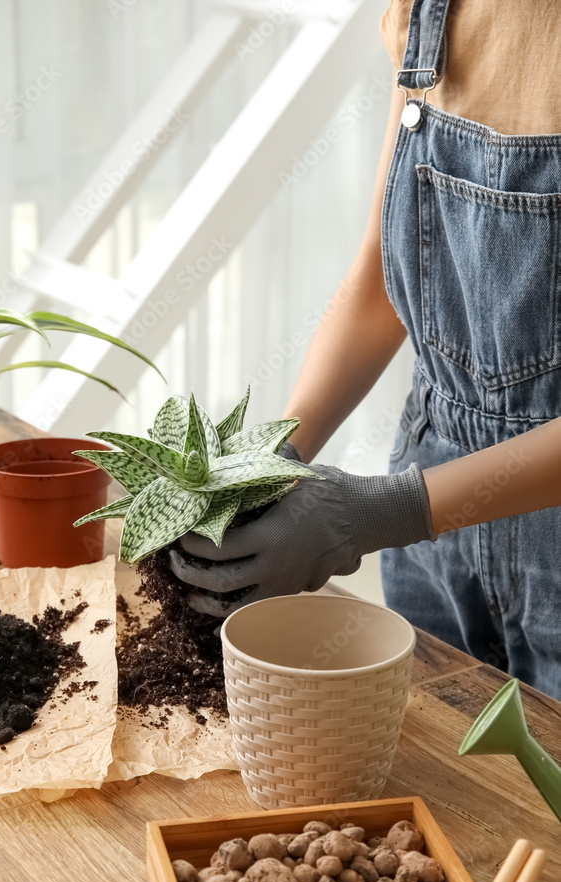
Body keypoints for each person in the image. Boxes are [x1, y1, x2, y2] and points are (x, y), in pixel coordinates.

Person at [169, 0, 561, 700]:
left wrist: (379, 512)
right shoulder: (430, 12)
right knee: (446, 786)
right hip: (431, 532)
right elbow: (385, 278)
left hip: (451, 519)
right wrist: (278, 458)